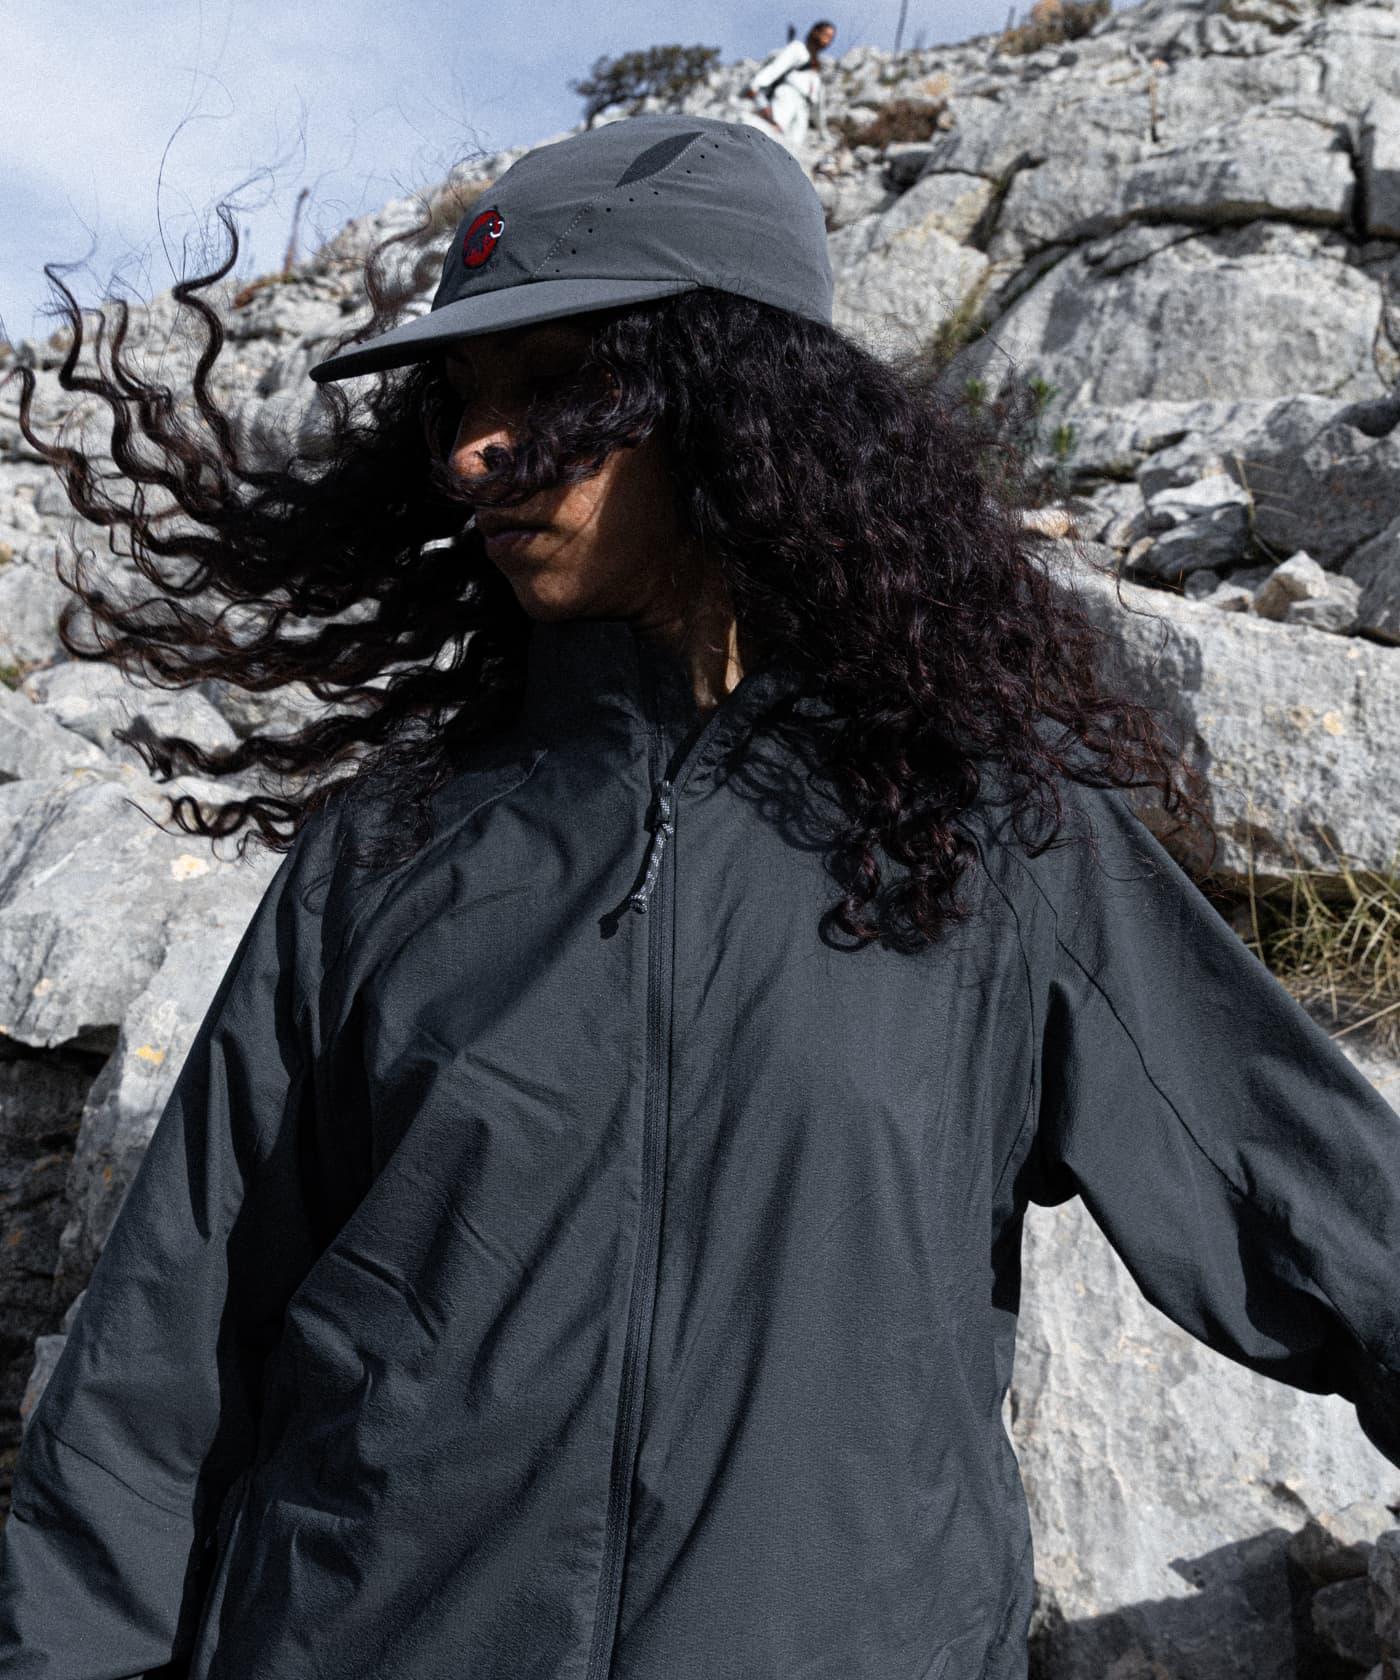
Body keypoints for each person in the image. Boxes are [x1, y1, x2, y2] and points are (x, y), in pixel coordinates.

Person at [2, 110, 1399, 1680]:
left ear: (736, 405)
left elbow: (1327, 1212)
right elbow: (160, 1377)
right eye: (460, 399)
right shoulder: (381, 859)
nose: (473, 447)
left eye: (557, 388)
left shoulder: (998, 841)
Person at [740, 18, 837, 157]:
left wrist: (823, 132)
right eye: (825, 35)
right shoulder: (798, 48)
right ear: (815, 32)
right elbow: (776, 68)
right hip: (787, 95)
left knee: (791, 151)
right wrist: (756, 85)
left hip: (804, 109)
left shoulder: (817, 73)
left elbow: (818, 107)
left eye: (830, 38)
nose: (827, 41)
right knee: (772, 135)